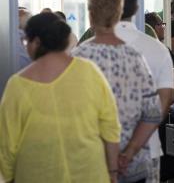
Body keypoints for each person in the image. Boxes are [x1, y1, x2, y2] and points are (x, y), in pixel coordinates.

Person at [0, 12, 121, 183]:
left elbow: (7, 146)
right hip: (89, 173)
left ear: (36, 42)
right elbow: (110, 128)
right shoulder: (90, 72)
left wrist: (9, 176)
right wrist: (113, 171)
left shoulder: (17, 85)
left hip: (36, 174)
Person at [72, 0, 162, 183]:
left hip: (90, 165)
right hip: (134, 165)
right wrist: (128, 153)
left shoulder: (77, 59)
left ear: (91, 15)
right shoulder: (136, 59)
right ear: (119, 15)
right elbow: (153, 113)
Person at [110, 0, 174, 183]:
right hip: (147, 150)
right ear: (137, 8)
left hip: (100, 155)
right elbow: (165, 100)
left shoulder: (86, 51)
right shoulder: (157, 49)